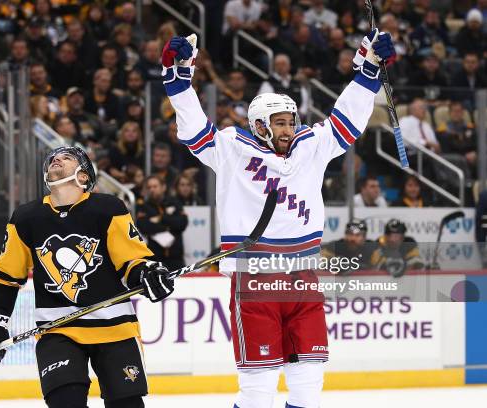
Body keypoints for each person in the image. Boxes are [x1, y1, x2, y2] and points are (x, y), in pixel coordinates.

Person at [162, 30, 396, 407]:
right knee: (258, 389)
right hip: (254, 281)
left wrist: (368, 71)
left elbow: (346, 120)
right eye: (280, 122)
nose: (288, 129)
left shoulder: (310, 147)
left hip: (303, 277)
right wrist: (178, 83)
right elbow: (193, 131)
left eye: (291, 122)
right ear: (259, 125)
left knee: (309, 382)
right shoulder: (231, 149)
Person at [0, 146, 174, 408]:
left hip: (115, 328)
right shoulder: (26, 217)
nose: (56, 159)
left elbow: (130, 261)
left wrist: (147, 274)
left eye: (67, 158)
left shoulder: (108, 209)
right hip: (57, 330)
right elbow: (7, 275)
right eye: (53, 159)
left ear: (84, 176)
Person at [136, 175, 188, 270]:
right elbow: (144, 227)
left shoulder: (174, 202)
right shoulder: (143, 206)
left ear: (163, 187)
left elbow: (182, 223)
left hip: (176, 258)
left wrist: (160, 219)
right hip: (154, 259)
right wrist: (168, 226)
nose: (152, 189)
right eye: (149, 187)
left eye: (155, 186)